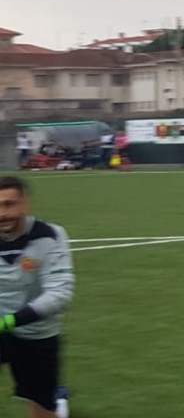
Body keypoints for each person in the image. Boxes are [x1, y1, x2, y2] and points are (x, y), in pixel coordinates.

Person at [0, 176, 74, 418]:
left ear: (25, 203)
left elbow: (60, 293)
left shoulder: (49, 235)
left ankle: (56, 402)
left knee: (40, 409)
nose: (2, 214)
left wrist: (9, 321)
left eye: (9, 204)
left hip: (36, 334)